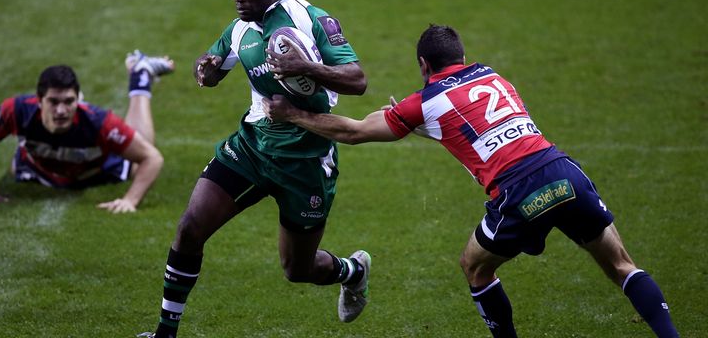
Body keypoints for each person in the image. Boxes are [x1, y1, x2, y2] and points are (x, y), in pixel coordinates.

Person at [262, 24, 680, 338]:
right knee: (622, 266)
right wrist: (426, 123)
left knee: (475, 268)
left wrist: (292, 114)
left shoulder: (424, 102)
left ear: (423, 65)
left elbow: (353, 131)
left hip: (519, 192)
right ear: (462, 55)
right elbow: (478, 124)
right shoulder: (492, 75)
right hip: (564, 172)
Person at [138, 0, 370, 338]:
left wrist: (305, 68)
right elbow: (212, 65)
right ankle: (165, 333)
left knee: (297, 269)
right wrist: (206, 70)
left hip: (305, 159)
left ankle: (352, 271)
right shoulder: (239, 29)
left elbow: (357, 80)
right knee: (190, 229)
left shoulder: (311, 19)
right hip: (251, 148)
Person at [0, 50, 174, 213]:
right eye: (53, 102)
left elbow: (153, 158)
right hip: (38, 170)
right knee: (17, 168)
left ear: (78, 100)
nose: (61, 110)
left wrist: (130, 200)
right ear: (39, 100)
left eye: (69, 102)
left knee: (140, 159)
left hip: (96, 171)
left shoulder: (99, 122)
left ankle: (141, 75)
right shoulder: (16, 110)